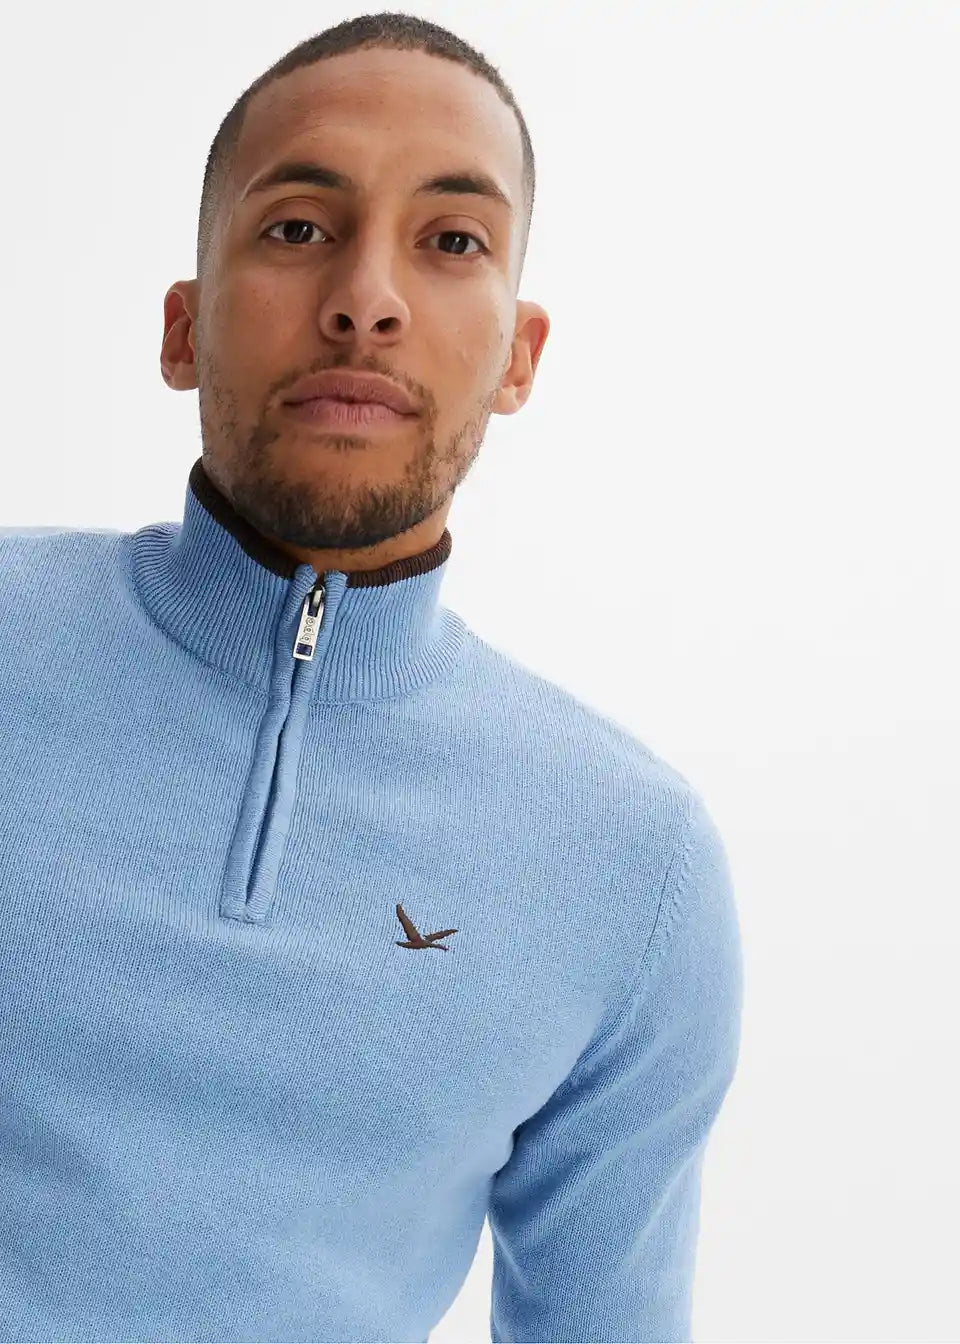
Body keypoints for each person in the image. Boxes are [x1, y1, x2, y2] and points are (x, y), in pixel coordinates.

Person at [0, 12, 743, 1343]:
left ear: (519, 354)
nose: (366, 297)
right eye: (297, 227)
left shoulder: (633, 864)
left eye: (451, 241)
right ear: (183, 326)